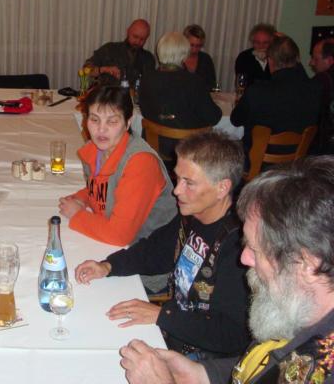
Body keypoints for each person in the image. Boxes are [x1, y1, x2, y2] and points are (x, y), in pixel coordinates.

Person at [119, 156, 334, 384]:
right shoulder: (299, 309)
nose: (244, 258)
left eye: (255, 249)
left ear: (307, 263)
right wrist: (205, 373)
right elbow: (266, 365)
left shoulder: (323, 368)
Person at [75, 132, 250, 359]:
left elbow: (232, 334)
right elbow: (156, 250)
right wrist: (108, 266)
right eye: (178, 178)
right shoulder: (193, 215)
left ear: (222, 188)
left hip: (207, 359)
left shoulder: (240, 247)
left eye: (189, 183)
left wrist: (162, 316)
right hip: (177, 328)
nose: (177, 190)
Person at [58, 85, 177, 246]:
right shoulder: (96, 149)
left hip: (150, 248)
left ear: (128, 123)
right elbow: (107, 188)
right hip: (114, 239)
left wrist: (77, 214)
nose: (101, 129)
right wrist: (82, 198)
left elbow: (120, 235)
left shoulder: (141, 163)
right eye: (94, 120)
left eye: (112, 121)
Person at [231, 35, 322, 160]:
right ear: (297, 59)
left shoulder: (257, 91)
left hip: (257, 162)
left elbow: (235, 120)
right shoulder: (315, 89)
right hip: (297, 163)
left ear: (270, 61)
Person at [140, 31, 222, 162]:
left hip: (154, 144)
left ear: (159, 52)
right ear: (184, 55)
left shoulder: (147, 78)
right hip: (187, 148)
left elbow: (145, 110)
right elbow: (214, 117)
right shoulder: (193, 81)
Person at [85, 19, 156, 86]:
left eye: (142, 39)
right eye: (135, 37)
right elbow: (86, 69)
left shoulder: (148, 58)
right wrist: (103, 69)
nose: (137, 42)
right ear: (128, 31)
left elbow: (151, 86)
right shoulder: (109, 49)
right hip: (107, 94)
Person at [310, 38, 334, 154]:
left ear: (329, 60)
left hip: (325, 146)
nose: (311, 63)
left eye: (316, 59)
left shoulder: (322, 80)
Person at [182, 24, 217, 90]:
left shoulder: (205, 59)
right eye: (191, 45)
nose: (194, 50)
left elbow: (212, 84)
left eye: (198, 46)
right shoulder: (177, 58)